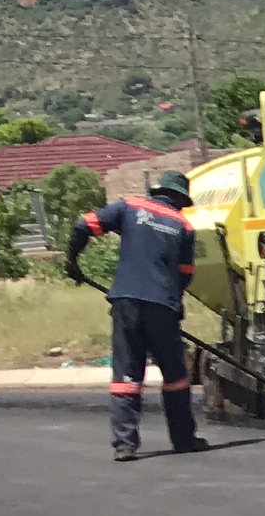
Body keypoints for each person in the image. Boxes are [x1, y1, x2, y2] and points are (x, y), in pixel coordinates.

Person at [67, 171, 209, 462]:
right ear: (180, 199)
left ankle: (124, 444)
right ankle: (183, 439)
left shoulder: (129, 207)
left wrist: (72, 261)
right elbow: (185, 274)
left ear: (156, 191)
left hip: (126, 302)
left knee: (127, 375)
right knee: (175, 376)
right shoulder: (183, 225)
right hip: (162, 306)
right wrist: (173, 301)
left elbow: (85, 224)